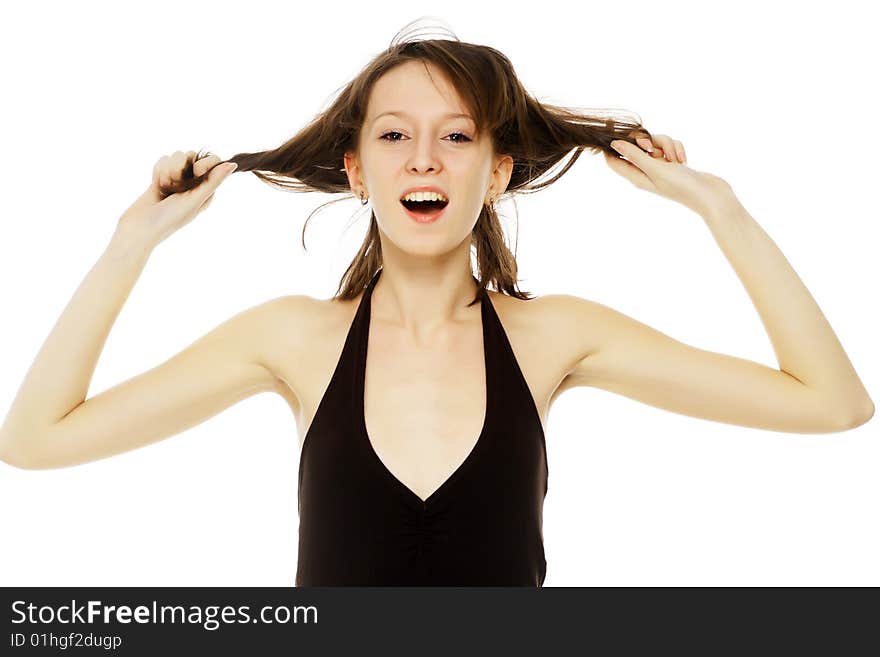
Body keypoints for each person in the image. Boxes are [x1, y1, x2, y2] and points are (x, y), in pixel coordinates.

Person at [0, 29, 873, 586]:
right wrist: (130, 245)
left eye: (456, 136)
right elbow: (34, 439)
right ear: (356, 170)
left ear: (496, 173)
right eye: (393, 135)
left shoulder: (553, 336)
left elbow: (832, 402)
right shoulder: (292, 338)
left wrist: (720, 208)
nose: (424, 159)